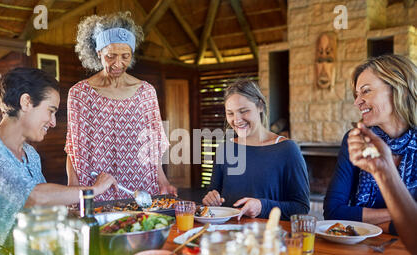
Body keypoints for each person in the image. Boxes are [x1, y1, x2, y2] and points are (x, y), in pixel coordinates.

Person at [0, 68, 118, 255]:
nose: (53, 122)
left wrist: (67, 213)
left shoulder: (31, 154)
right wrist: (93, 190)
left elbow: (43, 208)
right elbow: (34, 197)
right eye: (50, 111)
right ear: (26, 102)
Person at [65, 12, 176, 202]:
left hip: (141, 188)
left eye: (126, 56)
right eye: (110, 56)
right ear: (98, 52)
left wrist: (163, 181)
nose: (118, 63)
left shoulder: (146, 93)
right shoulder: (79, 94)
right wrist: (73, 188)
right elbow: (74, 149)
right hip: (97, 186)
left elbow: (152, 147)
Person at [323, 54, 416, 234]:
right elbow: (333, 211)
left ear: (399, 90)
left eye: (366, 91)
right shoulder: (356, 140)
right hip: (365, 248)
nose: (357, 102)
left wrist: (376, 221)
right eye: (357, 94)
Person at [202, 79, 310, 220]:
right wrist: (211, 199)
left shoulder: (288, 150)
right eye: (230, 113)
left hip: (267, 238)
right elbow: (213, 194)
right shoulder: (224, 148)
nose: (237, 120)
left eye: (243, 111)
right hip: (228, 236)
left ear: (260, 106)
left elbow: (301, 208)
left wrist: (262, 206)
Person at [348, 124, 417, 255]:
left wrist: (369, 225)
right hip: (364, 252)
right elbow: (335, 213)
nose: (357, 103)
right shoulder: (359, 141)